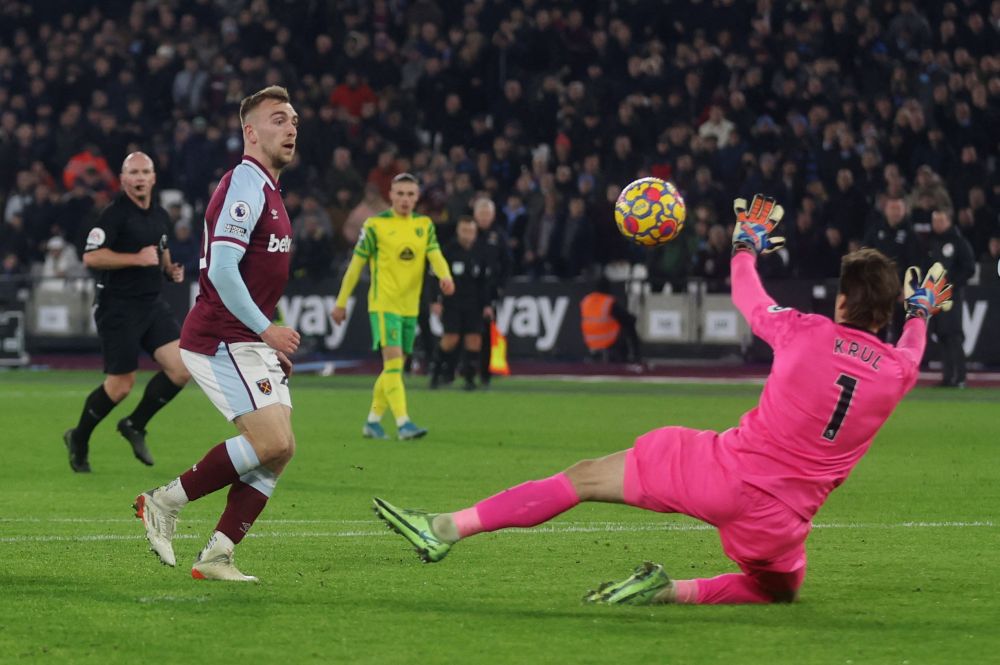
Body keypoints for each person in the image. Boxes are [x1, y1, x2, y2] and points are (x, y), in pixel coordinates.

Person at [372, 194, 954, 606]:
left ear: (842, 303)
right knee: (779, 590)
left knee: (585, 478)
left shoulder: (804, 331)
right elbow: (912, 345)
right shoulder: (898, 371)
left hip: (720, 474)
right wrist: (920, 312)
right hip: (780, 524)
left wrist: (744, 246)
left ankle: (446, 527)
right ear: (886, 312)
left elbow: (748, 296)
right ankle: (672, 590)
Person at [132, 86, 301, 582]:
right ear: (251, 132)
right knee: (271, 441)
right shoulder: (244, 183)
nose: (291, 127)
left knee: (281, 449)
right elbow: (224, 271)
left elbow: (258, 276)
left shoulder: (269, 189)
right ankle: (164, 501)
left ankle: (218, 554)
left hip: (246, 338)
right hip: (221, 336)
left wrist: (266, 338)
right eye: (278, 119)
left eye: (294, 120)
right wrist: (266, 330)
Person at [63, 152, 189, 473]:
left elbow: (160, 247)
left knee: (181, 369)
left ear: (153, 178)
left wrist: (169, 269)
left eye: (145, 172)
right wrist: (136, 259)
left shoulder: (159, 214)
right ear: (123, 179)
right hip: (117, 307)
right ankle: (79, 437)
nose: (140, 178)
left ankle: (134, 424)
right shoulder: (113, 215)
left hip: (151, 303)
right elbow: (91, 257)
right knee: (120, 386)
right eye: (133, 173)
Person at [331, 173, 454, 440]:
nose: (405, 199)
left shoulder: (424, 225)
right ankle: (403, 423)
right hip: (384, 304)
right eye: (400, 194)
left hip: (410, 307)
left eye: (410, 194)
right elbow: (355, 266)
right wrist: (341, 303)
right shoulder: (375, 225)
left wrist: (445, 276)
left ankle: (373, 422)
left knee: (392, 369)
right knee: (395, 364)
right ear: (391, 195)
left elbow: (435, 254)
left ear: (417, 197)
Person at [429, 216, 490, 390]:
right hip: (452, 302)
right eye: (464, 231)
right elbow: (435, 277)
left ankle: (470, 379)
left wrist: (487, 304)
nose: (467, 234)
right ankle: (436, 373)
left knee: (474, 339)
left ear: (475, 232)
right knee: (451, 339)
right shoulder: (448, 251)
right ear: (458, 231)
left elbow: (485, 282)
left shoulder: (481, 252)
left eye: (471, 231)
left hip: (474, 303)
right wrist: (435, 300)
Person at [926, 209, 975, 388]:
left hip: (951, 297)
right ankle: (947, 377)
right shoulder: (931, 242)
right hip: (934, 295)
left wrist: (952, 285)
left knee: (953, 334)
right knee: (942, 335)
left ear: (949, 221)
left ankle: (960, 377)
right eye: (935, 221)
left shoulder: (959, 242)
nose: (937, 224)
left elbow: (969, 268)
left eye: (941, 221)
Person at [473, 197, 511, 388]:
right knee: (466, 331)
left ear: (493, 215)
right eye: (482, 213)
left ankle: (485, 373)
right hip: (468, 291)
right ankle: (465, 370)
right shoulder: (468, 232)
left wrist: (501, 286)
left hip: (490, 292)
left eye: (487, 213)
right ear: (475, 214)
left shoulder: (498, 236)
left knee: (486, 333)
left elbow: (508, 263)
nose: (484, 217)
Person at [580, 276, 641, 363]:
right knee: (629, 325)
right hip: (608, 340)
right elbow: (626, 318)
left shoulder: (586, 300)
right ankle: (634, 356)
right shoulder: (608, 301)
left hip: (590, 341)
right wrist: (633, 318)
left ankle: (596, 355)